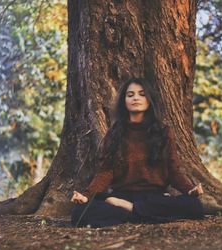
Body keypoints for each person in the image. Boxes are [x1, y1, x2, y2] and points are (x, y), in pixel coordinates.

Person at [70, 77, 205, 228]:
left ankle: (130, 210)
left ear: (149, 100)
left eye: (142, 94)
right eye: (130, 95)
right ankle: (145, 214)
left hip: (153, 197)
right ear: (124, 101)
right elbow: (105, 172)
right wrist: (86, 196)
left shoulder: (163, 132)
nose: (136, 98)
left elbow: (173, 172)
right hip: (121, 195)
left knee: (194, 206)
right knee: (79, 212)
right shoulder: (114, 133)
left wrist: (189, 190)